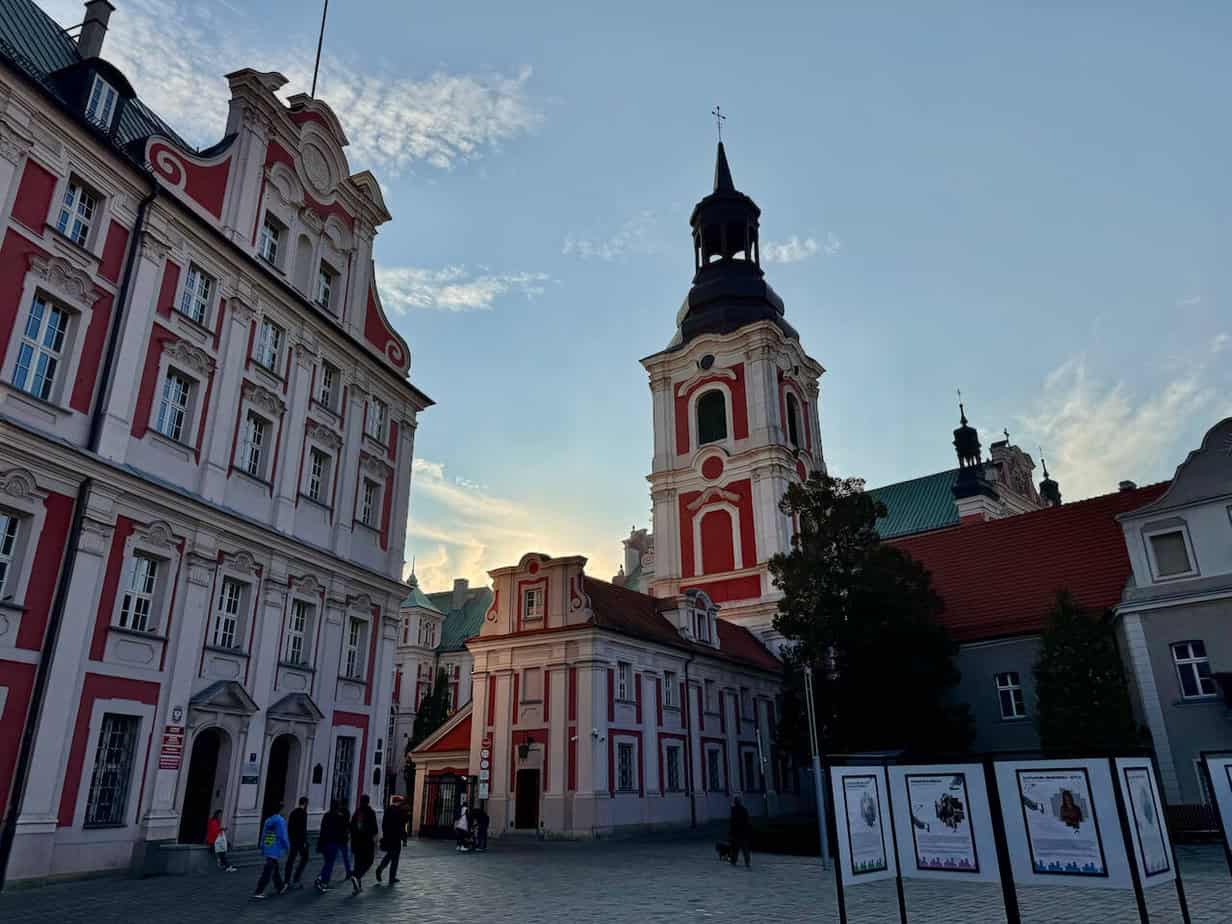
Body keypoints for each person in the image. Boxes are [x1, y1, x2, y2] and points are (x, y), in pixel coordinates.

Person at [314, 800, 356, 894]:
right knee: (330, 862)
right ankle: (324, 881)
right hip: (334, 841)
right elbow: (345, 827)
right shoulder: (339, 816)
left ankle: (321, 878)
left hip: (326, 841)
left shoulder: (327, 815)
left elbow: (323, 829)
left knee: (328, 862)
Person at [252, 802, 290, 900]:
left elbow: (264, 834)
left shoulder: (268, 820)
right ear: (280, 810)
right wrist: (287, 846)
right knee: (268, 871)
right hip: (275, 847)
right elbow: (283, 835)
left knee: (274, 868)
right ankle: (259, 891)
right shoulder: (280, 820)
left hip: (268, 846)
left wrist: (262, 845)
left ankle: (280, 887)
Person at [350, 794, 379, 892]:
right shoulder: (370, 812)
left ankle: (357, 887)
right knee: (369, 861)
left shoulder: (357, 812)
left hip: (356, 842)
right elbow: (375, 829)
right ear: (368, 801)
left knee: (358, 863)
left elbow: (351, 827)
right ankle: (356, 875)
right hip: (366, 842)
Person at [375, 795, 407, 884]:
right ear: (398, 802)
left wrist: (385, 835)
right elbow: (401, 826)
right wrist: (404, 838)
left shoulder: (387, 810)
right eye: (401, 802)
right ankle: (390, 876)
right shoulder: (399, 811)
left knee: (390, 854)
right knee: (394, 858)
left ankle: (381, 869)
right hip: (396, 837)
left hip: (388, 837)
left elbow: (384, 824)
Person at [284, 796, 310, 887]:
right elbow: (303, 829)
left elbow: (289, 827)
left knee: (291, 860)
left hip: (293, 840)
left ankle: (287, 880)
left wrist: (290, 838)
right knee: (305, 858)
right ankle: (296, 877)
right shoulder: (303, 813)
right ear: (306, 804)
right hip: (300, 840)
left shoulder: (293, 812)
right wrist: (304, 841)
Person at [729, 797, 752, 869]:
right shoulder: (743, 810)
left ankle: (734, 861)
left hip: (737, 832)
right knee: (744, 849)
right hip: (742, 832)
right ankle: (747, 862)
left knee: (736, 848)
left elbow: (732, 821)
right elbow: (747, 821)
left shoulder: (734, 810)